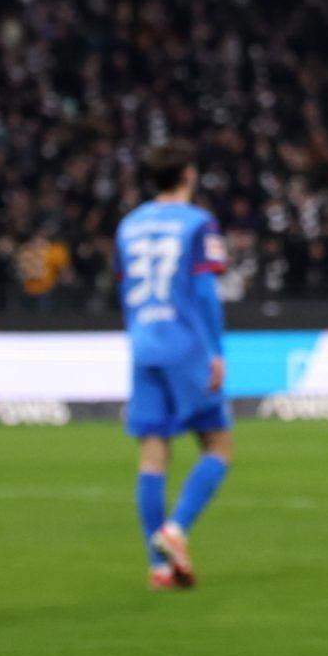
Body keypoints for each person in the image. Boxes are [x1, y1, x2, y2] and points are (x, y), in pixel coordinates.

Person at [115, 141, 231, 589]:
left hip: (144, 345)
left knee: (152, 455)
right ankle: (175, 529)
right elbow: (204, 292)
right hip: (185, 346)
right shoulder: (198, 223)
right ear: (188, 174)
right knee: (218, 446)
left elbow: (124, 289)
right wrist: (216, 350)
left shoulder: (128, 225)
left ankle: (159, 567)